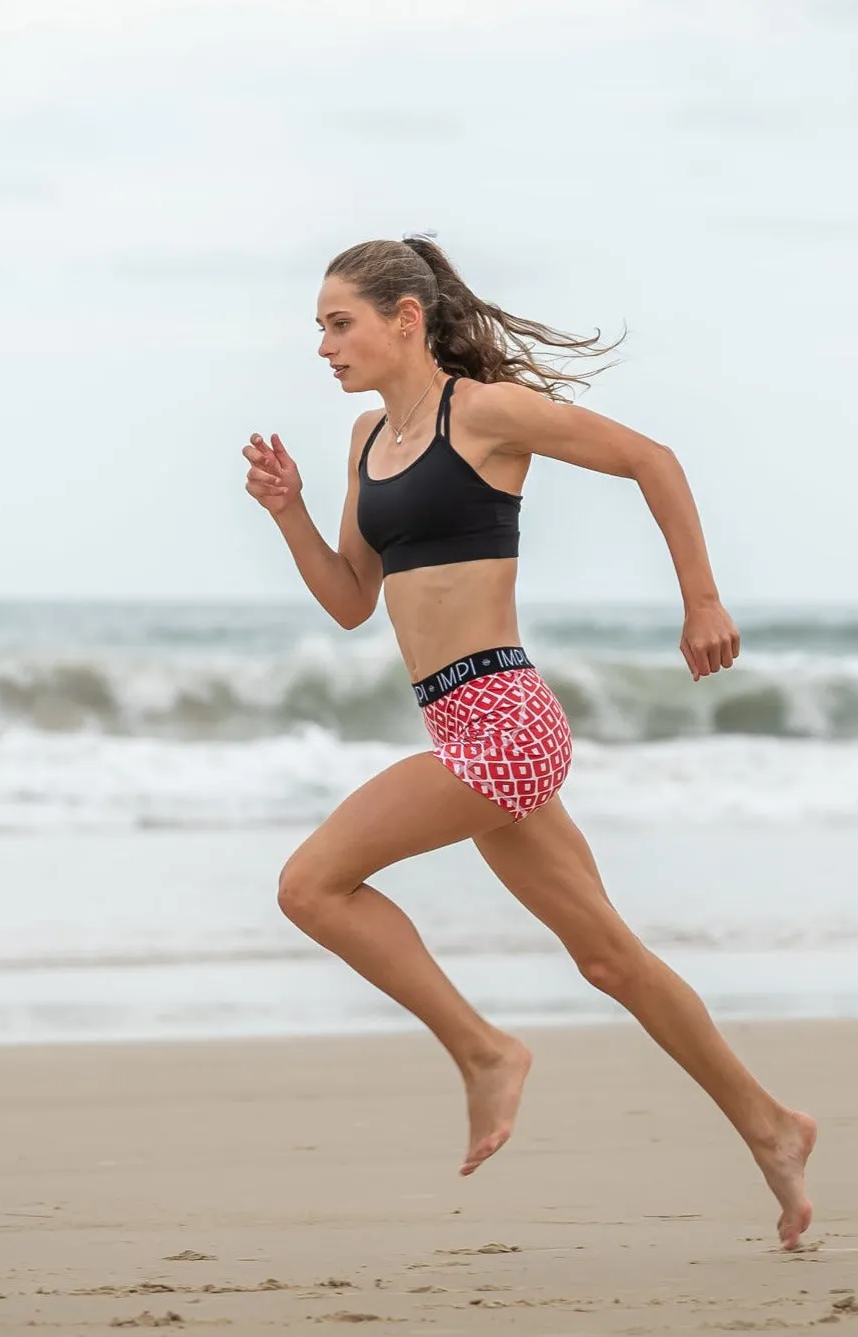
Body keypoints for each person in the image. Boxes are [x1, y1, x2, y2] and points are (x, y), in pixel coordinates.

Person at [242, 236, 816, 1250]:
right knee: (608, 957)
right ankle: (771, 1125)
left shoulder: (485, 413)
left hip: (504, 723)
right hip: (454, 723)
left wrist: (701, 600)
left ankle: (481, 1050)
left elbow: (652, 458)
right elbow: (346, 600)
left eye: (339, 323)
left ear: (403, 319)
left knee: (309, 885)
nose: (324, 345)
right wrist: (288, 513)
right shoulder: (367, 443)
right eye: (320, 328)